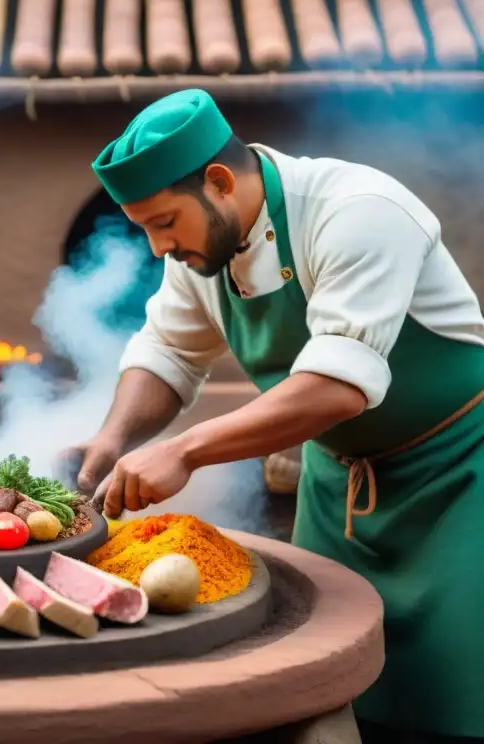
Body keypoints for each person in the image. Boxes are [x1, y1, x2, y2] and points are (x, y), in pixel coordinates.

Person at [65, 89, 484, 743]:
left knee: (455, 694)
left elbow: (339, 386)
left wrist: (187, 450)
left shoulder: (359, 212)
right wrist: (113, 439)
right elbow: (168, 353)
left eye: (164, 223)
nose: (156, 247)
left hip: (459, 480)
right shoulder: (203, 251)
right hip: (335, 490)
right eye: (144, 228)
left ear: (220, 182)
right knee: (323, 683)